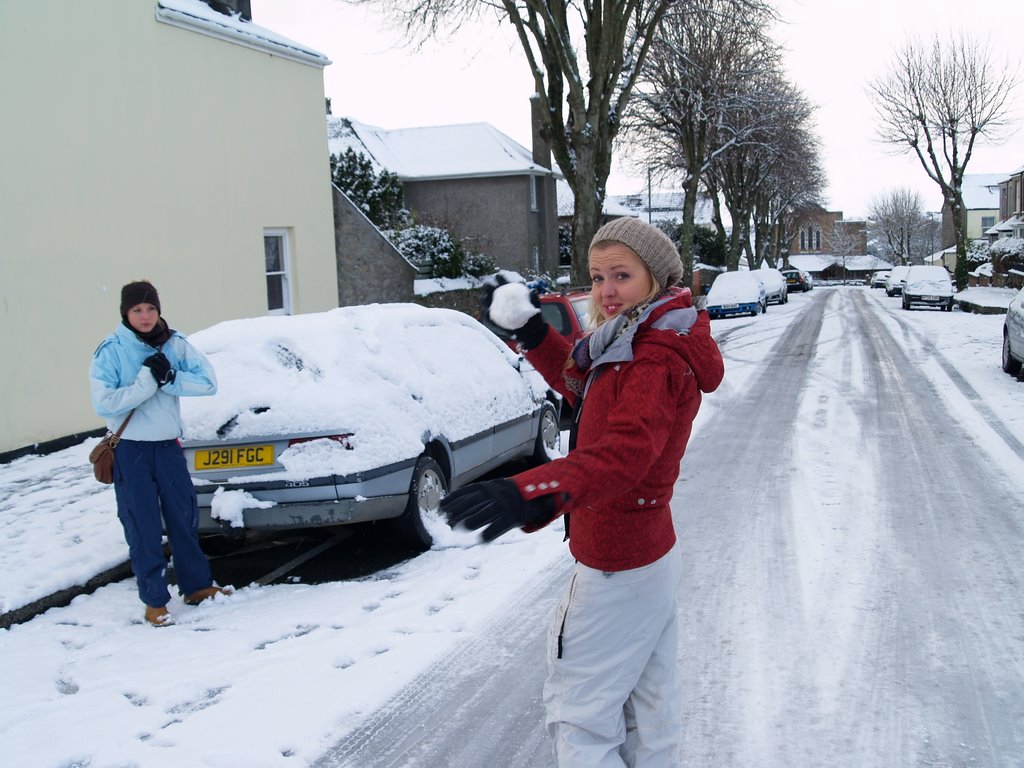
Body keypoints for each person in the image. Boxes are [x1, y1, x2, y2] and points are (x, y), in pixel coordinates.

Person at [441, 218, 724, 766]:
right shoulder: (644, 336)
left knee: (581, 720)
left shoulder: (654, 355)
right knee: (650, 709)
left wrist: (532, 491)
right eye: (596, 277)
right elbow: (584, 381)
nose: (606, 290)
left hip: (616, 565)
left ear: (659, 279)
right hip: (648, 555)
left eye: (622, 275)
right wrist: (530, 331)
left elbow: (626, 453)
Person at [90, 280, 230, 627]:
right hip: (131, 450)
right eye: (137, 310)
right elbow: (103, 403)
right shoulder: (111, 351)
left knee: (184, 519)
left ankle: (196, 586)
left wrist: (170, 378)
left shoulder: (176, 344)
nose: (145, 316)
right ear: (126, 313)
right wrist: (146, 382)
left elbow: (208, 382)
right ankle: (154, 601)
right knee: (143, 526)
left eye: (151, 309)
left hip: (168, 447)